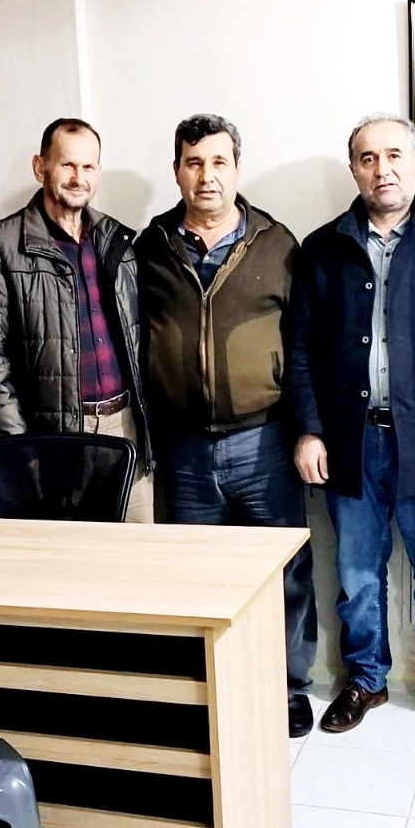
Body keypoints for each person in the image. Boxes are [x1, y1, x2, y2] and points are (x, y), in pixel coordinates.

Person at [287, 112, 415, 743]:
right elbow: (300, 351)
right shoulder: (321, 250)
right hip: (350, 440)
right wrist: (310, 430)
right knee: (356, 574)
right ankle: (366, 678)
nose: (383, 169)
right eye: (368, 158)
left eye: (396, 155)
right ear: (354, 169)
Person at [136, 113, 318, 737]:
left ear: (237, 168)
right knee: (196, 578)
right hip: (183, 446)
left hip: (263, 440)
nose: (206, 175)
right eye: (194, 162)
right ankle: (210, 686)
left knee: (283, 573)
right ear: (177, 171)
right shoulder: (150, 247)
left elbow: (302, 345)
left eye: (218, 162)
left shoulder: (277, 243)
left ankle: (289, 687)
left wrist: (306, 428)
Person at [0, 118, 153, 522]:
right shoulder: (1, 244)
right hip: (55, 436)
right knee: (73, 553)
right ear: (40, 167)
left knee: (139, 551)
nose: (78, 177)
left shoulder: (116, 238)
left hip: (125, 426)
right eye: (67, 165)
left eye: (88, 167)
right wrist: (18, 446)